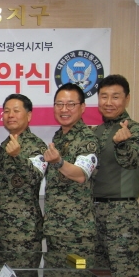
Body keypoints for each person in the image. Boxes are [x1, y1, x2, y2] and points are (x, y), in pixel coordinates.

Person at [93, 74, 139, 277]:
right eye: (104, 96)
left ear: (127, 99)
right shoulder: (96, 132)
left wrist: (123, 143)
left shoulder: (134, 130)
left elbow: (133, 161)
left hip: (121, 214)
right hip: (93, 213)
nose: (109, 102)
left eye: (115, 97)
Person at [43, 83, 99, 258]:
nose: (64, 109)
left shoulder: (87, 139)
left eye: (70, 104)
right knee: (55, 275)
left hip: (77, 232)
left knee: (77, 275)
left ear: (82, 107)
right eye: (59, 104)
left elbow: (81, 175)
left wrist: (58, 162)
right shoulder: (59, 137)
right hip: (55, 229)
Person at [0, 94, 47, 252]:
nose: (10, 115)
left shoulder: (37, 145)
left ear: (28, 116)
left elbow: (35, 177)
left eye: (16, 111)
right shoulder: (5, 145)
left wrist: (18, 156)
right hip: (0, 230)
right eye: (6, 111)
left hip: (25, 232)